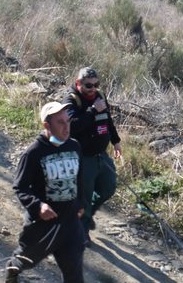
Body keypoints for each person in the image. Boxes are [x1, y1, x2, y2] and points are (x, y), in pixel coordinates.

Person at [5, 101, 85, 283]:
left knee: (74, 275)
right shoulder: (34, 153)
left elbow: (79, 178)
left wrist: (81, 202)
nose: (66, 127)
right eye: (60, 122)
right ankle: (12, 272)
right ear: (47, 125)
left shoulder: (74, 146)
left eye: (68, 121)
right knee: (24, 260)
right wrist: (38, 206)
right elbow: (20, 187)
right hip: (44, 224)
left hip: (70, 223)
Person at [63, 66, 122, 247]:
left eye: (96, 84)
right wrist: (92, 111)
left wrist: (116, 141)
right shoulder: (71, 101)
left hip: (101, 154)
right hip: (83, 157)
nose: (93, 89)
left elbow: (108, 120)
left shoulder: (99, 97)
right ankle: (81, 230)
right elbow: (71, 126)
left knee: (108, 187)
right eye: (89, 85)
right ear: (78, 83)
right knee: (85, 196)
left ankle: (86, 216)